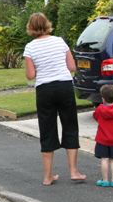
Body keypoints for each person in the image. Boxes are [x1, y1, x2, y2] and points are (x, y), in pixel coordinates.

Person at [23, 13, 87, 186]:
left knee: (47, 128)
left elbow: (30, 75)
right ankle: (73, 171)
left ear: (30, 27)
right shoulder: (59, 41)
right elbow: (72, 67)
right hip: (64, 86)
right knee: (70, 125)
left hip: (44, 89)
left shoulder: (30, 48)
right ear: (47, 24)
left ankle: (47, 176)